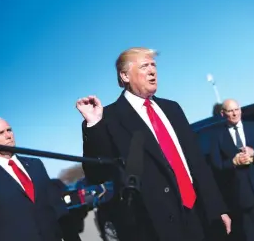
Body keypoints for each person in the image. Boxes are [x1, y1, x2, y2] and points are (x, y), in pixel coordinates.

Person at [76, 47, 231, 241]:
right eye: (144, 66)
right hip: (153, 227)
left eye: (153, 65)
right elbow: (97, 174)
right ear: (124, 76)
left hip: (196, 214)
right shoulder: (108, 118)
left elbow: (197, 163)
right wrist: (93, 125)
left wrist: (217, 207)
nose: (152, 71)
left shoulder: (172, 108)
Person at [0, 117, 80, 241]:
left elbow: (57, 207)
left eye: (9, 130)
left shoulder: (35, 165)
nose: (8, 135)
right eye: (1, 133)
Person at [210, 99, 254, 241]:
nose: (235, 113)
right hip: (242, 198)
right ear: (222, 113)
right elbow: (216, 165)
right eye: (230, 111)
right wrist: (232, 162)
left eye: (236, 109)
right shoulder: (217, 136)